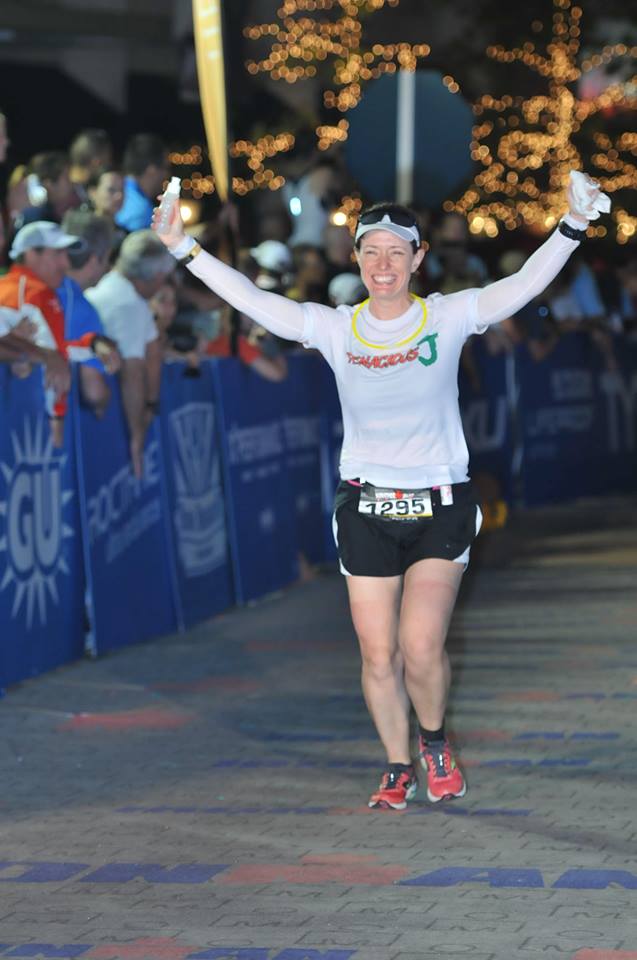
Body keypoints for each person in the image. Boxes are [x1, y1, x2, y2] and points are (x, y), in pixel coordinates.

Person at [153, 171, 609, 810]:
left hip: (440, 504)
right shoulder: (336, 327)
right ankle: (398, 765)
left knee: (420, 647)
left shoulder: (447, 316)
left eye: (397, 252)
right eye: (372, 251)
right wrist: (182, 247)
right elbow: (253, 300)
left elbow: (523, 286)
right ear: (357, 257)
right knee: (377, 655)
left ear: (419, 259)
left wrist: (573, 224)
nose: (384, 264)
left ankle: (434, 741)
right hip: (365, 506)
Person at [0, 221, 119, 446]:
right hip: (24, 432)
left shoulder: (40, 292)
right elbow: (44, 355)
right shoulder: (24, 293)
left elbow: (55, 351)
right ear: (31, 254)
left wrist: (93, 343)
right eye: (57, 253)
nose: (66, 263)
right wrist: (31, 354)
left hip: (33, 433)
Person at [86, 230, 174, 476]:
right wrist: (137, 436)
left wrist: (151, 403)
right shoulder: (127, 305)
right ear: (157, 276)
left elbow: (152, 350)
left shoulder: (119, 290)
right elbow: (132, 372)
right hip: (102, 424)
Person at [57, 210, 121, 416]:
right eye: (107, 259)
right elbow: (94, 392)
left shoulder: (36, 289)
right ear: (94, 261)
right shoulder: (84, 311)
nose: (108, 267)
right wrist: (106, 401)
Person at [116, 134, 169, 232]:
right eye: (165, 168)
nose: (166, 174)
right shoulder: (141, 209)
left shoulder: (114, 190)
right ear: (152, 170)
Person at [14, 152, 79, 229]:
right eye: (67, 177)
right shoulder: (33, 218)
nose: (73, 182)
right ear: (49, 184)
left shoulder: (82, 208)